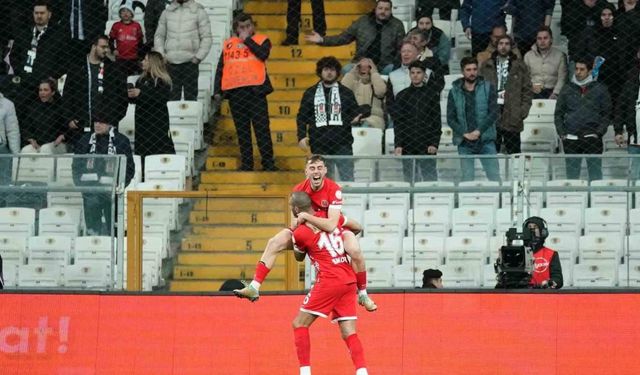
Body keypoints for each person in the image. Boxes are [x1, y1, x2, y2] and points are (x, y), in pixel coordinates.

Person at [233, 155, 376, 313]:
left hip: (329, 226)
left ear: (325, 170)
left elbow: (331, 225)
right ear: (306, 171)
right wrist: (299, 228)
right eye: (312, 168)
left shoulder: (334, 189)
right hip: (308, 230)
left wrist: (307, 217)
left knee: (355, 247)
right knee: (274, 242)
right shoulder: (298, 190)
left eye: (320, 168)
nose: (316, 172)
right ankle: (254, 286)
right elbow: (294, 221)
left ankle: (363, 293)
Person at [290, 191, 373, 375]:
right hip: (348, 279)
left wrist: (295, 237)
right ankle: (362, 371)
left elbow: (298, 257)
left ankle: (305, 372)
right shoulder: (330, 220)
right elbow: (356, 227)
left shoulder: (302, 231)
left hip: (329, 280)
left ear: (296, 209)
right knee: (349, 332)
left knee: (299, 324)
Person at [213, 13, 276, 172]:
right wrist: (217, 91)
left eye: (248, 26)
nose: (246, 29)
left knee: (262, 129)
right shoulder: (228, 44)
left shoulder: (262, 40)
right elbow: (221, 68)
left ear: (253, 26)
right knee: (242, 131)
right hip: (236, 94)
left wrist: (247, 40)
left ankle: (268, 163)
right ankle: (247, 164)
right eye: (242, 27)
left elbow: (263, 55)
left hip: (256, 92)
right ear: (236, 28)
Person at [297, 57, 360, 181]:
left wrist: (356, 117)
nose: (329, 73)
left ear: (337, 72)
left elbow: (355, 112)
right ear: (320, 71)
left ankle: (348, 201)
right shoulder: (310, 93)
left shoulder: (346, 92)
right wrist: (301, 135)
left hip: (342, 143)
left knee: (348, 179)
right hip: (319, 142)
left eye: (332, 70)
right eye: (326, 69)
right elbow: (302, 116)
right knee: (322, 181)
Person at [62, 35, 128, 149]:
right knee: (81, 162)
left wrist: (111, 122)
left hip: (106, 128)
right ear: (93, 46)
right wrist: (69, 118)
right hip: (81, 127)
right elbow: (68, 94)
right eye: (103, 47)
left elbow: (122, 98)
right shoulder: (77, 67)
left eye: (107, 47)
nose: (106, 50)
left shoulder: (113, 69)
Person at [72, 114, 135, 235]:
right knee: (92, 228)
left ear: (110, 124)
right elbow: (76, 166)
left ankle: (116, 248)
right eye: (95, 122)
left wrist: (120, 186)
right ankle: (94, 249)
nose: (97, 125)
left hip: (113, 192)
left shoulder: (121, 141)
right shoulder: (84, 140)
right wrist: (81, 186)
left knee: (114, 227)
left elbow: (129, 168)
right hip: (90, 191)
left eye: (101, 122)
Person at [305, 0, 405, 74]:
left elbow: (401, 49)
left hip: (385, 65)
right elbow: (343, 38)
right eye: (380, 8)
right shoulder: (362, 21)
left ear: (391, 11)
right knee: (346, 70)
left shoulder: (397, 25)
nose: (383, 11)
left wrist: (396, 63)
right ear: (375, 9)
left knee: (394, 70)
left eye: (386, 9)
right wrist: (322, 39)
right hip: (360, 63)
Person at [7, 0, 66, 123]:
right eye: (36, 13)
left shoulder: (58, 34)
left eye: (42, 13)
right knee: (22, 116)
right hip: (25, 83)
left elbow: (64, 59)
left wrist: (53, 76)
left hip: (46, 84)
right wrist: (21, 72)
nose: (39, 16)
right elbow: (14, 56)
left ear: (49, 14)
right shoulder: (24, 32)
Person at [554, 57, 611, 181]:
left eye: (582, 69)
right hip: (571, 138)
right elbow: (558, 113)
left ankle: (596, 199)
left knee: (595, 175)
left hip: (592, 137)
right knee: (572, 177)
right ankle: (574, 199)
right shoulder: (567, 88)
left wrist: (599, 133)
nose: (578, 72)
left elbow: (607, 114)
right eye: (576, 69)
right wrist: (562, 133)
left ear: (590, 71)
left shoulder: (600, 89)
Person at [447, 57, 501, 182]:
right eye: (468, 70)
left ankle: (500, 200)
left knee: (494, 176)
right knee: (467, 178)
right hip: (464, 141)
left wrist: (478, 132)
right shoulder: (454, 91)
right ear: (462, 71)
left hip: (486, 139)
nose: (472, 73)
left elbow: (494, 112)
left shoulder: (488, 87)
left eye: (474, 69)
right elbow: (451, 118)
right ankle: (467, 201)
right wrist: (464, 133)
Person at [479, 35, 533, 154]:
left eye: (507, 44)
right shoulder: (486, 65)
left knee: (514, 154)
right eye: (501, 43)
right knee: (492, 154)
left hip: (513, 113)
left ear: (511, 46)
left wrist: (521, 111)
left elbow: (527, 90)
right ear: (496, 46)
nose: (503, 47)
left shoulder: (520, 66)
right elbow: (479, 90)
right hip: (492, 113)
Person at [390, 60, 442, 182]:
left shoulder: (432, 95)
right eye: (412, 72)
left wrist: (434, 143)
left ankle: (430, 199)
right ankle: (410, 200)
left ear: (424, 74)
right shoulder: (402, 96)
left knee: (430, 178)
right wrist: (398, 144)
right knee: (409, 179)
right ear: (409, 74)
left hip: (427, 143)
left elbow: (436, 121)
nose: (415, 75)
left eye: (418, 72)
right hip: (408, 143)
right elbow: (398, 123)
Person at [127, 51, 175, 172]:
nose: (142, 62)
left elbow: (161, 98)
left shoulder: (163, 81)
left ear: (152, 63)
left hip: (157, 124)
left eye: (146, 60)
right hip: (142, 123)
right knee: (143, 153)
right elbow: (137, 101)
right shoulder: (140, 80)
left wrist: (141, 94)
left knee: (158, 152)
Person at [154, 0, 212, 100]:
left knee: (191, 99)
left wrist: (198, 57)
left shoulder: (199, 11)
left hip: (190, 63)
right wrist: (162, 56)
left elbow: (207, 37)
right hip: (170, 63)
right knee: (171, 99)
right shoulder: (166, 12)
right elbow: (159, 36)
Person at [576, 4, 625, 106]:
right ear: (599, 16)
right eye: (603, 15)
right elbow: (578, 54)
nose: (607, 17)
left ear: (614, 16)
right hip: (593, 75)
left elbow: (624, 55)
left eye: (610, 14)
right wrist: (590, 64)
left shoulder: (620, 32)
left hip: (615, 76)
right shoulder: (589, 32)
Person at [613, 48, 640, 180]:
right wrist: (618, 131)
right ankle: (634, 201)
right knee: (634, 178)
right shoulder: (630, 83)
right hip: (635, 140)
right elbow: (620, 108)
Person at [21, 78, 66, 154]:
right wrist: (31, 139)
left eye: (45, 90)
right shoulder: (33, 108)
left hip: (57, 144)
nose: (42, 93)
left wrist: (63, 136)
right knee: (26, 150)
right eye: (40, 90)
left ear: (53, 92)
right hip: (37, 143)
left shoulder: (61, 107)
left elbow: (67, 127)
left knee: (45, 149)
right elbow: (26, 126)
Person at [340, 57, 387, 130]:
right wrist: (353, 72)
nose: (364, 68)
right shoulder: (352, 82)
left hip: (374, 118)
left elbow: (380, 92)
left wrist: (374, 72)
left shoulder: (379, 81)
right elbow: (341, 92)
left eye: (368, 66)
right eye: (360, 66)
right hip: (353, 117)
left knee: (365, 126)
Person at [523, 26, 568, 100]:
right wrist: (531, 86)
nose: (542, 41)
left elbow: (562, 78)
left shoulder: (560, 55)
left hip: (553, 92)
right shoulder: (528, 56)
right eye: (539, 38)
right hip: (532, 92)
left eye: (545, 38)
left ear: (551, 39)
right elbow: (524, 78)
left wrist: (556, 93)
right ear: (536, 40)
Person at [523, 216, 563, 289]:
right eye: (529, 227)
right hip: (520, 296)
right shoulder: (517, 253)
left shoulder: (551, 254)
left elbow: (558, 280)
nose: (532, 229)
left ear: (543, 232)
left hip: (544, 296)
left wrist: (549, 283)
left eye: (535, 227)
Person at [109, 1, 144, 77]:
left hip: (134, 58)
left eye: (128, 11)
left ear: (132, 13)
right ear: (120, 14)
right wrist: (113, 49)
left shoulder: (137, 26)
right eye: (123, 11)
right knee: (121, 77)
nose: (125, 13)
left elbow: (140, 41)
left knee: (133, 77)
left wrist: (140, 56)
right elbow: (111, 40)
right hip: (121, 58)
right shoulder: (116, 26)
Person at [0, 92, 20, 194]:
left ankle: (3, 201)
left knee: (3, 184)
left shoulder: (7, 104)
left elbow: (12, 130)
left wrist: (16, 153)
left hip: (0, 148)